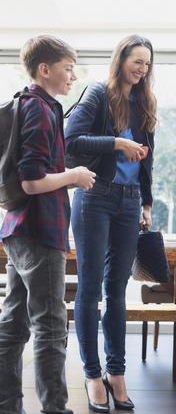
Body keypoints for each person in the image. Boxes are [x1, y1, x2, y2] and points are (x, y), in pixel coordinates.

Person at [0, 35, 96, 414]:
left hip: (17, 228)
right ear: (45, 69)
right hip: (41, 231)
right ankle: (56, 409)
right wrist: (73, 175)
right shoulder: (41, 109)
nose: (73, 75)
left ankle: (7, 405)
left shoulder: (20, 103)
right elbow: (32, 181)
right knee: (51, 327)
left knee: (13, 324)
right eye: (68, 67)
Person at [64, 34, 157, 412]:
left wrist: (147, 201)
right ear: (121, 59)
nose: (142, 68)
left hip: (130, 201)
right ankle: (92, 375)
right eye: (137, 60)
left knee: (117, 290)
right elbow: (72, 141)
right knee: (89, 289)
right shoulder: (98, 94)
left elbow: (148, 158)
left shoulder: (146, 102)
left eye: (148, 63)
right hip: (95, 196)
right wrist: (117, 143)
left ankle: (116, 374)